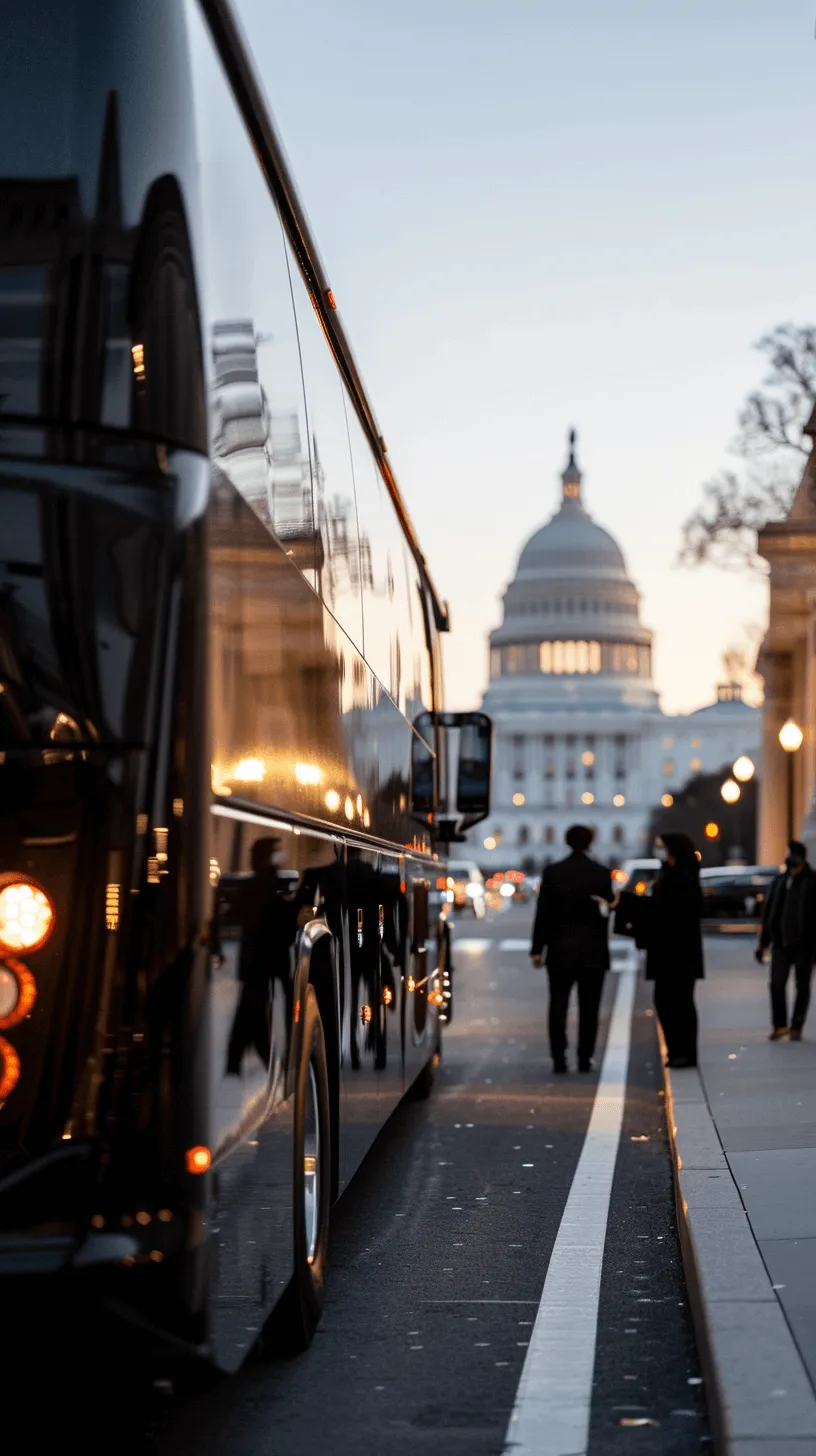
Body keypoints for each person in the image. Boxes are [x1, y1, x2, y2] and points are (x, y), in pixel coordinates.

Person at [530, 824, 614, 1074]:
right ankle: (584, 1057)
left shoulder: (553, 872)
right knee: (590, 1008)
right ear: (590, 842)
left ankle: (559, 1058)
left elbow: (542, 913)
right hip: (593, 951)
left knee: (558, 1007)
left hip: (559, 950)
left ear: (567, 842)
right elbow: (607, 911)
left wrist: (537, 949)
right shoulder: (600, 873)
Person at [647, 832, 703, 1069]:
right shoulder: (677, 872)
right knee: (675, 1002)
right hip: (675, 950)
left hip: (675, 950)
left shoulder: (679, 875)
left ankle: (682, 1051)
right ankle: (679, 1050)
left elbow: (668, 909)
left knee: (674, 1002)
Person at [756, 838, 816, 1042]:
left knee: (802, 986)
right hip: (780, 943)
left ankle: (796, 1025)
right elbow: (770, 913)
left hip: (804, 945)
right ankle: (780, 1025)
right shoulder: (780, 881)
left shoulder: (812, 882)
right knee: (776, 983)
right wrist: (763, 944)